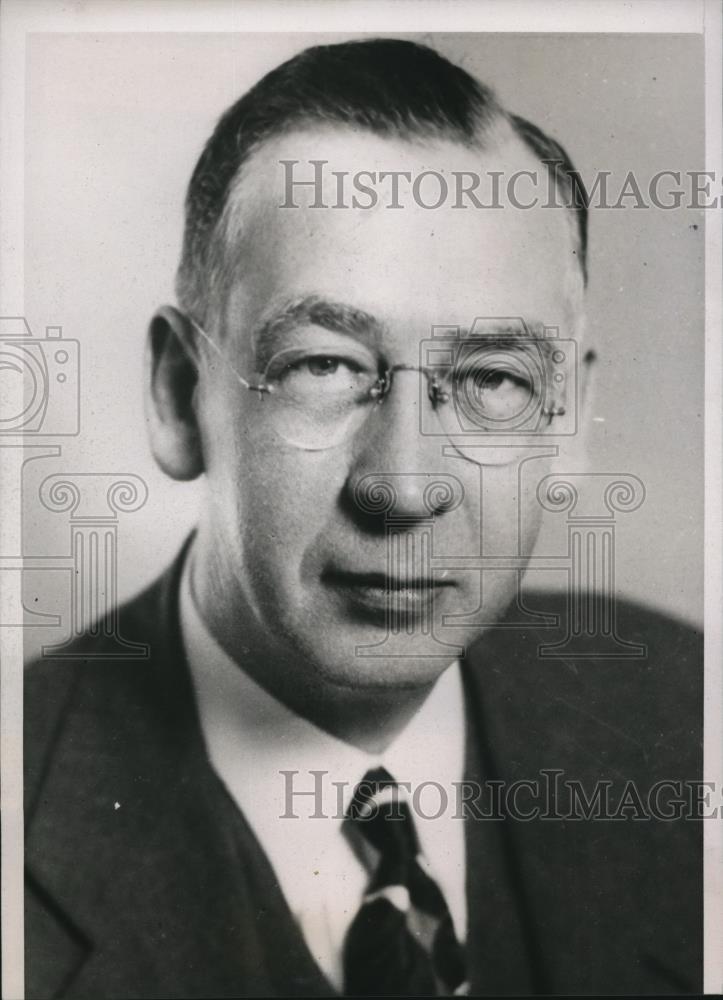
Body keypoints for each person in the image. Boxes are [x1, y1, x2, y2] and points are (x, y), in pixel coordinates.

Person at [25, 38, 702, 998]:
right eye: (325, 366)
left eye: (491, 380)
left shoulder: (687, 726)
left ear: (568, 422)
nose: (403, 483)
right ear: (180, 396)